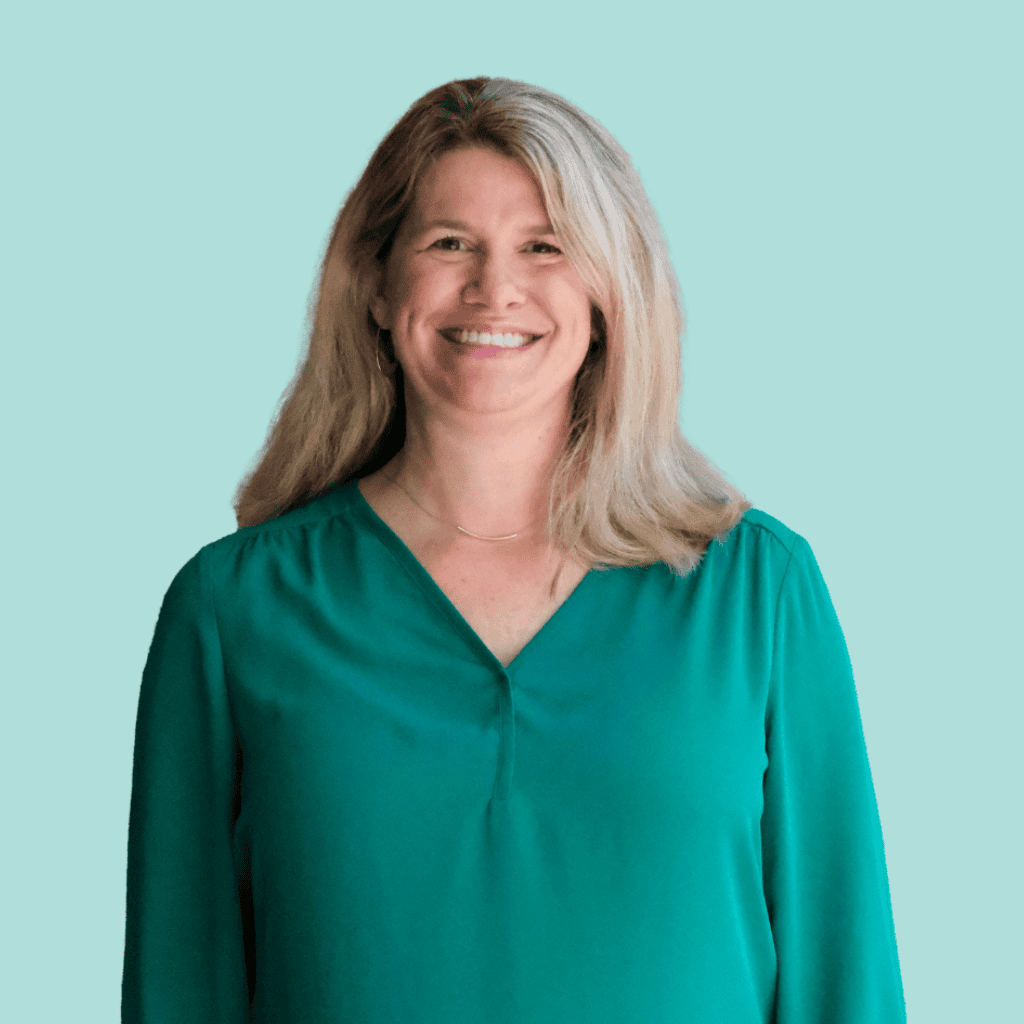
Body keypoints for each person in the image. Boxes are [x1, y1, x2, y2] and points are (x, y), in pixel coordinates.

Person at [122, 77, 907, 1023]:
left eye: (545, 247)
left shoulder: (757, 594)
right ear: (375, 284)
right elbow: (179, 990)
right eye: (450, 243)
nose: (495, 289)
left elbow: (845, 982)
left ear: (608, 294)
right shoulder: (235, 611)